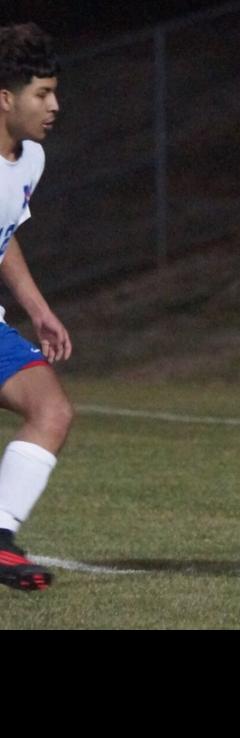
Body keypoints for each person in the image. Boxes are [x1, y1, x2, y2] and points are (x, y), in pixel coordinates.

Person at [0, 23, 71, 594]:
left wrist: (38, 308)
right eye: (41, 94)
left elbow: (6, 234)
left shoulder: (31, 161)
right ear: (5, 98)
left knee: (51, 410)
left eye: (53, 92)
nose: (54, 106)